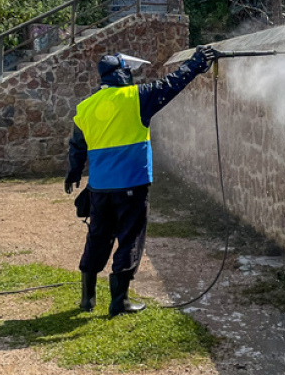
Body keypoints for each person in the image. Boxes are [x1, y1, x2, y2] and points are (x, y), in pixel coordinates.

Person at [64, 46, 216, 317]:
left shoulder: (85, 107)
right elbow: (172, 84)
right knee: (130, 238)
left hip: (99, 188)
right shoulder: (137, 97)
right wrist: (196, 63)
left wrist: (74, 173)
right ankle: (119, 301)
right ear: (123, 74)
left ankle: (87, 299)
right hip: (132, 185)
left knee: (98, 237)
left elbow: (77, 145)